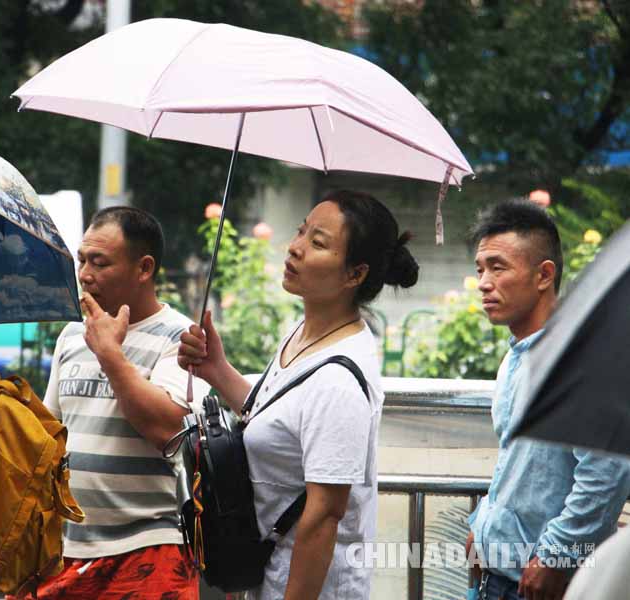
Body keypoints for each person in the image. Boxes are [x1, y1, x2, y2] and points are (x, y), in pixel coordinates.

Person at [179, 191, 419, 600]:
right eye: (301, 231)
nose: (295, 247)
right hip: (270, 580)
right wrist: (216, 370)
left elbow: (324, 516)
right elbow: (277, 421)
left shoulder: (340, 383)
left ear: (354, 274)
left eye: (318, 242)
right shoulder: (304, 334)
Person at [35, 206, 209, 599]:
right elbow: (51, 435)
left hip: (147, 550)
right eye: (82, 261)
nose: (85, 275)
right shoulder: (71, 335)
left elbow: (168, 430)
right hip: (65, 551)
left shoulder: (181, 338)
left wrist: (110, 355)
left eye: (100, 263)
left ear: (144, 268)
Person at [465, 200, 630, 600]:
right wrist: (483, 523)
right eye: (480, 269)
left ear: (544, 275)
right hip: (496, 573)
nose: (484, 282)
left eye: (498, 267)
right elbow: (516, 459)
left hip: (542, 583)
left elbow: (605, 475)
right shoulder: (517, 356)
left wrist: (556, 556)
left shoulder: (583, 361)